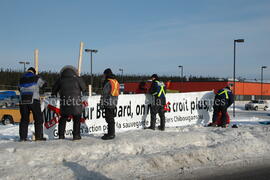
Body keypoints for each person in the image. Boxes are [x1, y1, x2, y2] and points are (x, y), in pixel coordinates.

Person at [52, 65, 86, 140]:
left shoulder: (60, 79)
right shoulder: (77, 78)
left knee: (63, 119)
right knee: (76, 119)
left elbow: (53, 91)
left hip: (64, 103)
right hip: (76, 103)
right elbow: (84, 88)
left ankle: (61, 136)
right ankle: (76, 135)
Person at [19, 67, 46, 141]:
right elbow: (44, 85)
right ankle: (39, 137)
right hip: (33, 100)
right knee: (38, 119)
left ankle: (23, 138)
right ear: (34, 72)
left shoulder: (21, 78)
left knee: (24, 119)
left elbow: (19, 89)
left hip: (22, 101)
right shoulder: (36, 77)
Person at [100, 68, 119, 140]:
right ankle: (111, 133)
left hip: (108, 103)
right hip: (114, 103)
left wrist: (102, 104)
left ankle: (111, 134)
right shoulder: (115, 81)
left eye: (104, 74)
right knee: (111, 119)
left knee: (109, 119)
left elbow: (104, 94)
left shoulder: (108, 82)